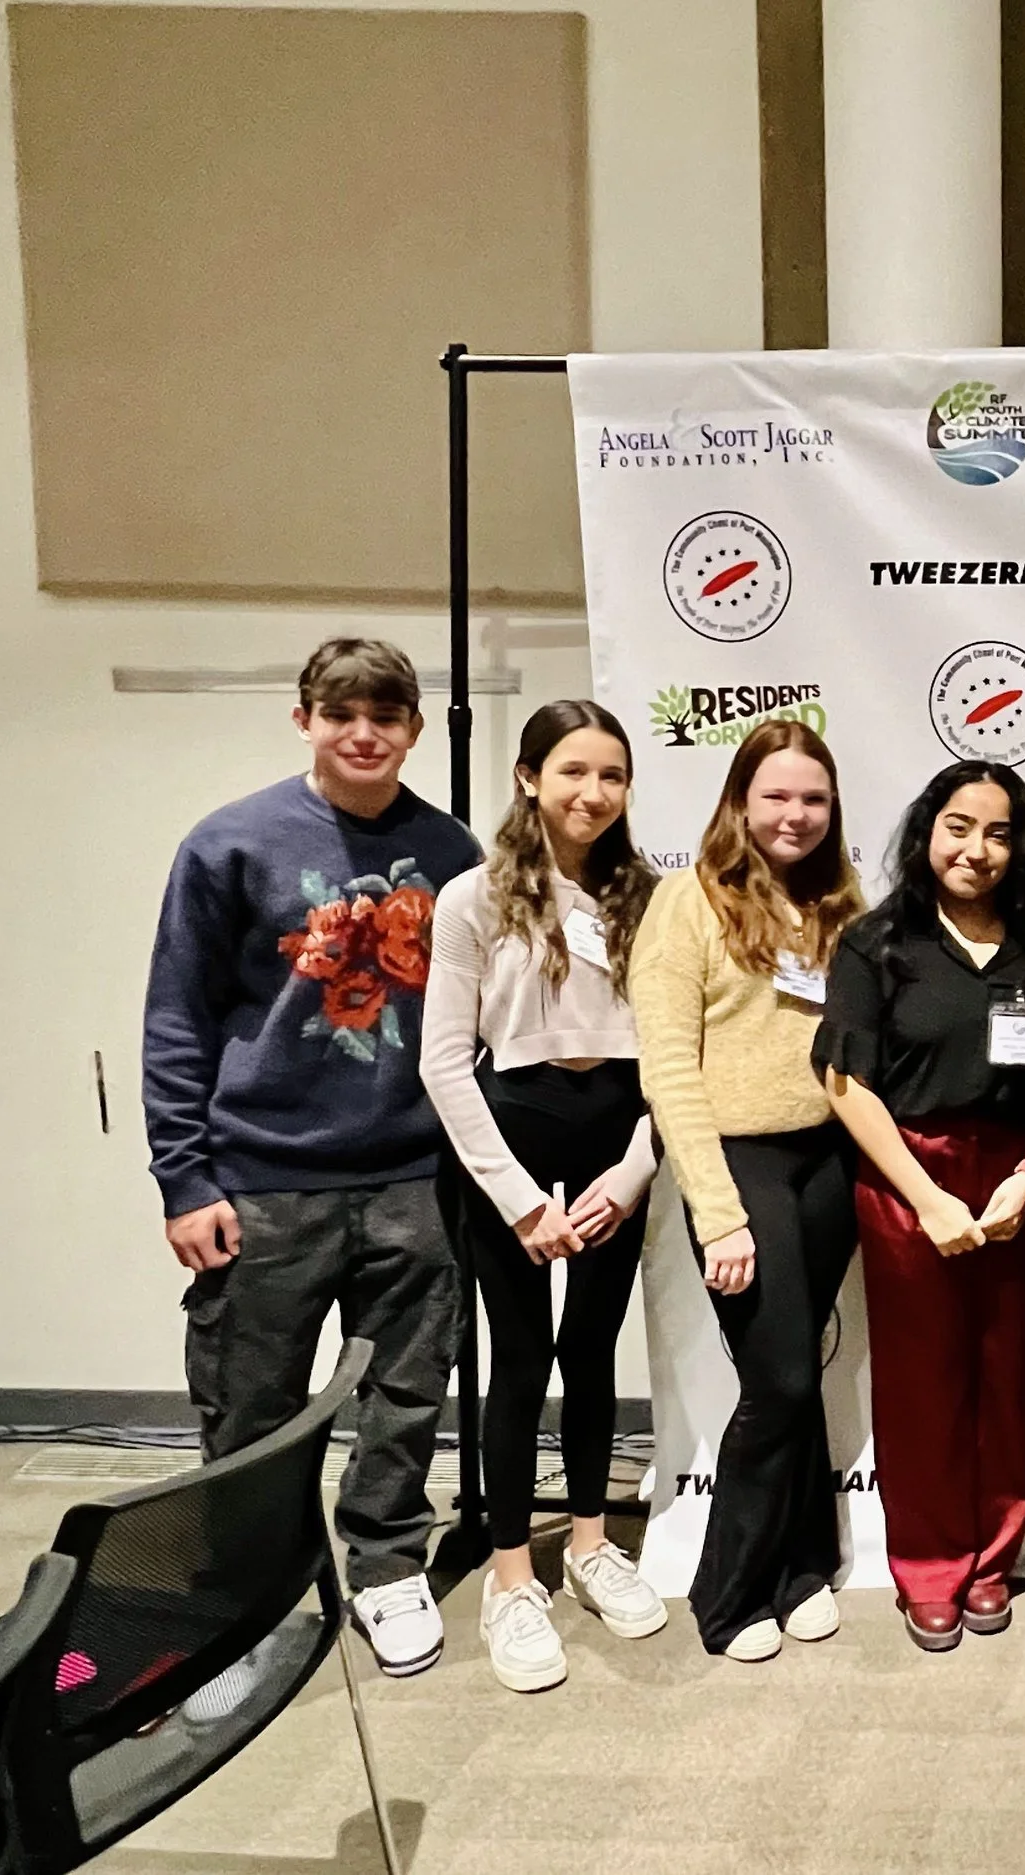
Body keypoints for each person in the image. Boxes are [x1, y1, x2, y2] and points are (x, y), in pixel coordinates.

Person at [143, 637, 479, 1678]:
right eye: (341, 714)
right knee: (251, 1407)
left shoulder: (455, 852)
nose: (363, 734)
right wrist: (185, 1178)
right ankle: (246, 1595)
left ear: (413, 730)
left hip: (416, 1180)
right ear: (305, 721)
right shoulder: (228, 844)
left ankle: (385, 1566)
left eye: (385, 716)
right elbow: (178, 1018)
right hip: (264, 1181)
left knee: (404, 1395)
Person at [420, 700, 669, 1692]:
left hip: (619, 1129)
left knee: (592, 1349)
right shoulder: (473, 897)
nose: (593, 792)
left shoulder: (650, 898)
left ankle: (592, 1544)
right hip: (510, 1131)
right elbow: (444, 1062)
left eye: (612, 775)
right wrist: (521, 1201)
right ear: (529, 777)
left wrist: (635, 1171)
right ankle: (513, 1574)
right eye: (572, 771)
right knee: (519, 1360)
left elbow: (678, 1055)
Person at [635, 719, 865, 1662]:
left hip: (829, 1160)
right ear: (739, 799)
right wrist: (719, 1212)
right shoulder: (686, 902)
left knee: (800, 1366)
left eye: (813, 798)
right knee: (777, 1380)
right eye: (776, 795)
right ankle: (727, 1594)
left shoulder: (840, 904)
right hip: (740, 1163)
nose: (795, 814)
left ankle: (803, 1566)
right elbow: (667, 1068)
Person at [818, 762, 1025, 1653]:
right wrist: (927, 1199)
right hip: (907, 1177)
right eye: (959, 826)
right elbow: (845, 1082)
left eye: (998, 832)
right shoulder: (878, 941)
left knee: (1003, 1375)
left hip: (1016, 1179)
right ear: (928, 832)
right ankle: (927, 1567)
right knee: (921, 1386)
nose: (977, 849)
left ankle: (993, 1555)